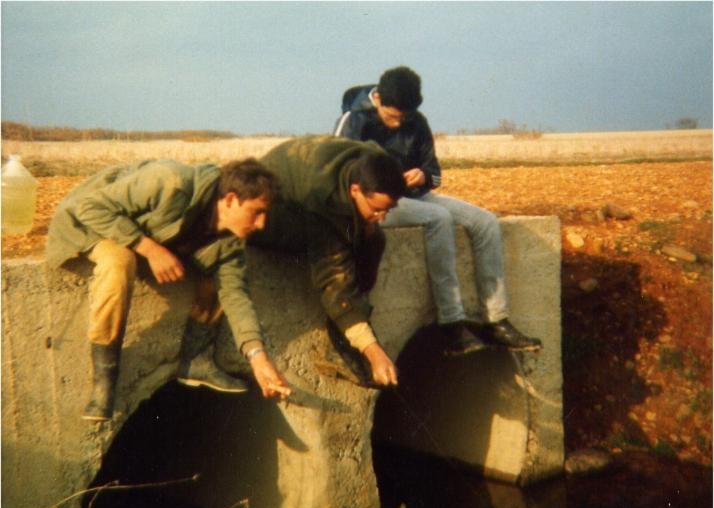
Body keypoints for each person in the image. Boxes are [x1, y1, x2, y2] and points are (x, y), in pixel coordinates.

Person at [46, 158, 291, 422]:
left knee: (221, 279)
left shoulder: (231, 242)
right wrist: (150, 249)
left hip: (150, 239)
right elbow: (91, 207)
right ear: (231, 199)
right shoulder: (169, 181)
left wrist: (258, 359)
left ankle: (195, 359)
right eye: (257, 212)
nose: (262, 224)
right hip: (92, 225)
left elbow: (236, 296)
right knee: (119, 263)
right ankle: (105, 378)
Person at [334, 66, 541, 355]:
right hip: (379, 203)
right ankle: (451, 323)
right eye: (392, 117)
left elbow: (436, 174)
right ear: (378, 98)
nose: (397, 124)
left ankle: (497, 320)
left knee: (485, 222)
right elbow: (339, 171)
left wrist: (424, 176)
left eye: (403, 118)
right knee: (438, 218)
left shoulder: (416, 121)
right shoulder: (354, 120)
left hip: (416, 196)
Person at [249, 135, 407, 387]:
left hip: (307, 187)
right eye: (377, 209)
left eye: (388, 210)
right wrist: (374, 351)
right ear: (355, 190)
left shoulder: (374, 159)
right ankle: (346, 331)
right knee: (338, 248)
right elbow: (334, 279)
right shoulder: (323, 197)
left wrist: (368, 220)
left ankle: (353, 324)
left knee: (375, 239)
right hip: (274, 206)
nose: (383, 217)